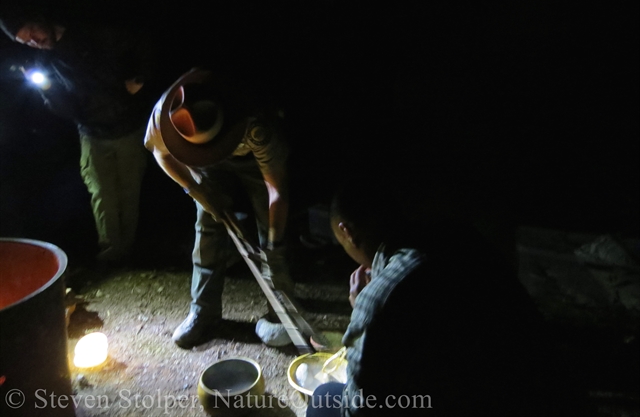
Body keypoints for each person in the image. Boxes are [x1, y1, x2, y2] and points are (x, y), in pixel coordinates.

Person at [307, 177, 566, 417]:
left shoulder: (377, 300)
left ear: (347, 232)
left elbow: (359, 407)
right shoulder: (460, 236)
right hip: (532, 388)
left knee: (323, 400)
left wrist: (362, 309)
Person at [144, 67, 294, 349]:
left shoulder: (255, 124)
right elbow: (159, 153)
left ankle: (282, 309)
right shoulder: (167, 115)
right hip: (204, 165)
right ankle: (203, 311)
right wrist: (196, 191)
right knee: (208, 226)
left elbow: (277, 190)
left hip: (251, 160)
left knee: (271, 232)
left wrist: (274, 244)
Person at [0, 10, 156, 265]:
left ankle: (127, 250)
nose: (34, 41)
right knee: (100, 193)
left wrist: (139, 76)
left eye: (32, 33)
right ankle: (111, 252)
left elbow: (141, 43)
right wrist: (48, 91)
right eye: (25, 41)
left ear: (40, 20)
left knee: (129, 191)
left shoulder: (91, 33)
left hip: (127, 125)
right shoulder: (46, 63)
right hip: (91, 133)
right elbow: (66, 111)